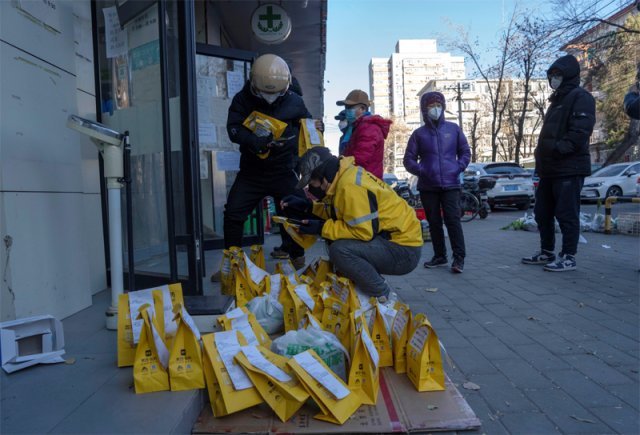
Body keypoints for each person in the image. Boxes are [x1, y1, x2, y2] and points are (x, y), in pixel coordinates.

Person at [215, 54, 313, 278]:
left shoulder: (295, 101)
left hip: (283, 169)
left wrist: (313, 134)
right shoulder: (242, 99)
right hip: (252, 171)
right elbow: (233, 128)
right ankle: (231, 265)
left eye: (276, 93)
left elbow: (308, 127)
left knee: (294, 212)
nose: (270, 98)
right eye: (265, 93)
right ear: (253, 83)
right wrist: (252, 141)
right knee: (233, 214)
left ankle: (297, 257)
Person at [281, 147, 423, 302]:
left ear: (323, 175)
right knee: (337, 241)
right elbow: (341, 212)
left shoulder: (349, 186)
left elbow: (363, 232)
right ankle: (363, 285)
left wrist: (322, 228)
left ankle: (383, 296)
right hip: (394, 242)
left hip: (404, 251)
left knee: (340, 250)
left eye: (312, 182)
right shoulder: (344, 178)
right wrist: (306, 206)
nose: (311, 187)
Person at [522, 54, 596, 272]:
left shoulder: (581, 97)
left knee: (566, 213)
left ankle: (568, 256)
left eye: (558, 74)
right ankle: (547, 251)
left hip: (568, 167)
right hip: (549, 168)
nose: (554, 78)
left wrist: (557, 150)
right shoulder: (557, 100)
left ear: (569, 75)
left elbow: (580, 131)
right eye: (552, 75)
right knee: (542, 213)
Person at [403, 91, 470, 273]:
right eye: (431, 106)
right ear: (424, 109)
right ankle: (440, 256)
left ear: (444, 106)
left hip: (451, 184)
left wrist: (458, 167)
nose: (435, 109)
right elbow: (408, 160)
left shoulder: (453, 129)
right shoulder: (419, 134)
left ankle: (459, 259)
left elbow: (465, 152)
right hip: (428, 186)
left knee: (453, 220)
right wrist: (422, 171)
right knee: (433, 222)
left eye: (438, 105)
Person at [336, 89, 391, 179]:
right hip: (359, 182)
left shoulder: (369, 128)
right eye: (346, 108)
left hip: (365, 184)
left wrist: (335, 164)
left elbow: (359, 159)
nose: (347, 111)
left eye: (350, 107)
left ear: (362, 109)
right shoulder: (356, 128)